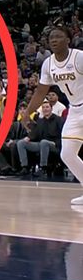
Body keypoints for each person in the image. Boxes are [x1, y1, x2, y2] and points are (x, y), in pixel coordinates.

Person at [22, 25, 83, 205]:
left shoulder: (79, 57)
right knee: (67, 154)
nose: (54, 40)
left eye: (58, 36)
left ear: (68, 40)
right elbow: (41, 92)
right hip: (75, 109)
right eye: (51, 38)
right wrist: (27, 113)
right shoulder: (48, 64)